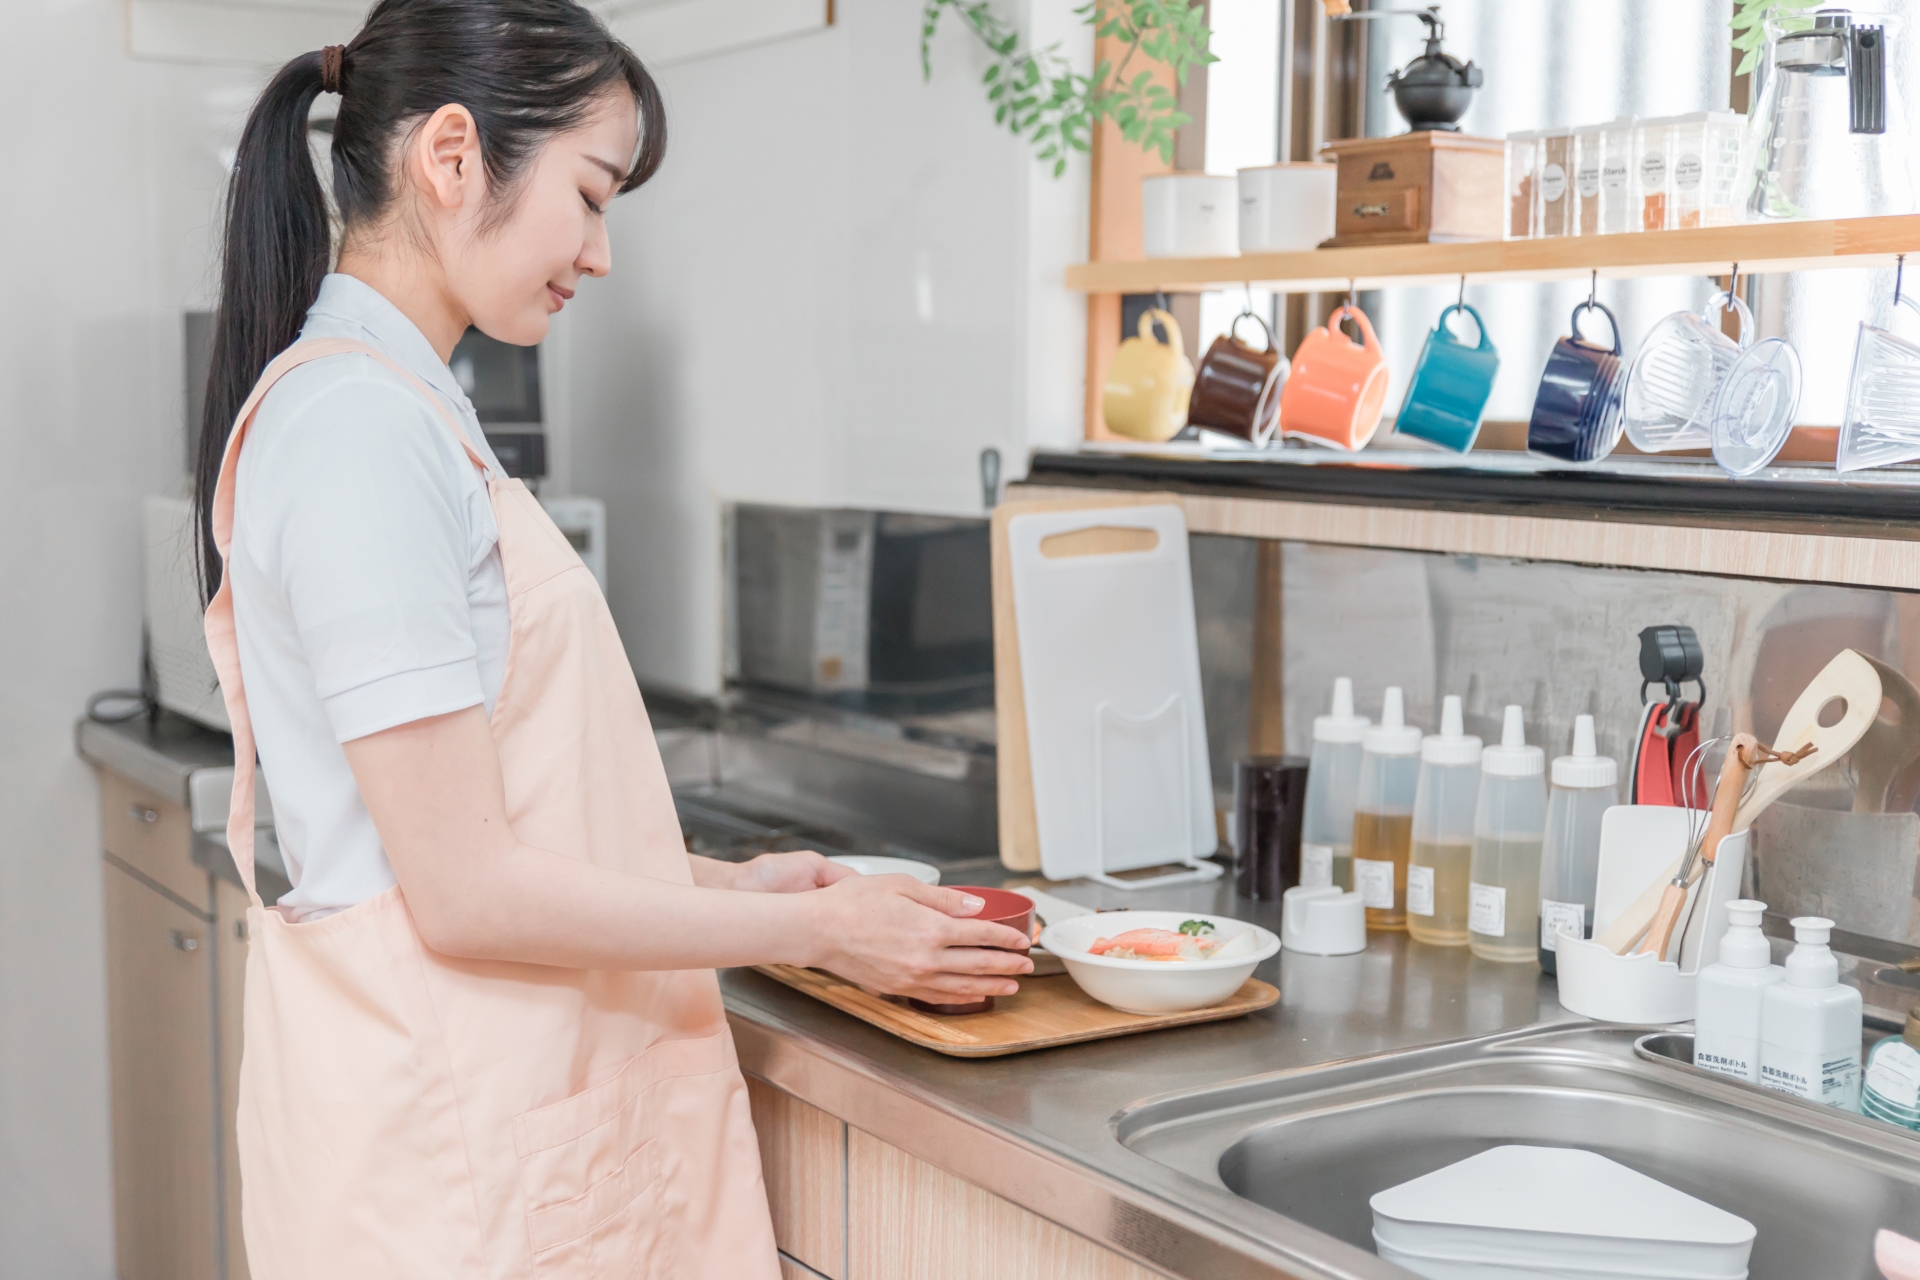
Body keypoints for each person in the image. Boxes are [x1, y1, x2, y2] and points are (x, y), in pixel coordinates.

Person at [192, 2, 1031, 1273]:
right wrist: (816, 932)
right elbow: (465, 889)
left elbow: (489, 815)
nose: (599, 250)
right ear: (453, 156)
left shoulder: (408, 410)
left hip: (482, 1134)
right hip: (446, 1171)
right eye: (589, 195)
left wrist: (727, 884)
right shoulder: (359, 432)